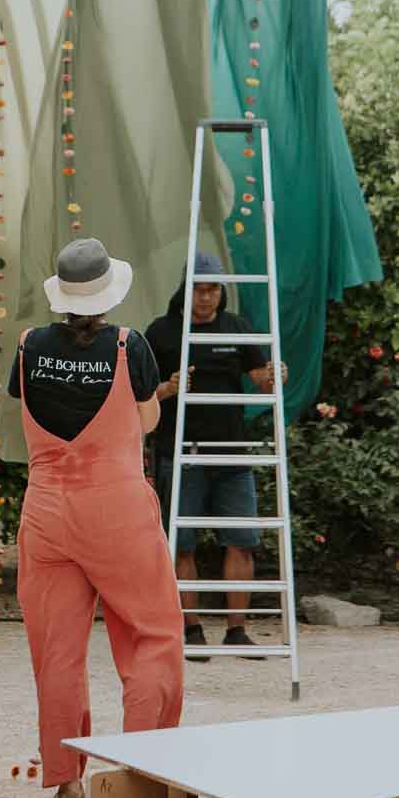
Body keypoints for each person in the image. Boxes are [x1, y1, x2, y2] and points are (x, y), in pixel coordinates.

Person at [9, 237, 183, 798]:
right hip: (116, 509)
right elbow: (149, 419)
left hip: (47, 510)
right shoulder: (129, 347)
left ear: (61, 297)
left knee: (56, 650)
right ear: (108, 294)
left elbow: (28, 412)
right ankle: (141, 772)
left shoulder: (29, 346)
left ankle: (66, 778)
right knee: (152, 635)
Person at [146, 251, 286, 661]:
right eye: (198, 289)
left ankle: (237, 632)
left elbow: (262, 381)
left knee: (242, 541)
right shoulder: (161, 333)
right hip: (181, 453)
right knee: (183, 544)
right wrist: (169, 388)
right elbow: (139, 395)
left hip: (231, 454)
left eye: (212, 290)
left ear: (221, 292)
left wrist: (275, 375)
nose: (205, 298)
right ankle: (191, 631)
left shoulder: (237, 328)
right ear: (184, 291)